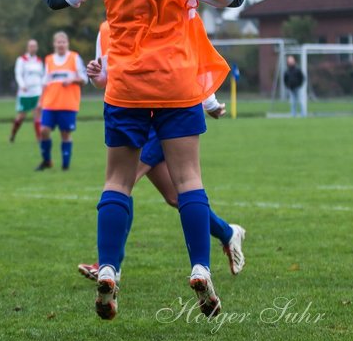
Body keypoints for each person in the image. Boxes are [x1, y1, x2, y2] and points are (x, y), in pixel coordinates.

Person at [11, 0, 267, 320]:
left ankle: (109, 266)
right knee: (188, 182)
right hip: (176, 86)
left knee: (117, 182)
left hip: (125, 87)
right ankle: (199, 266)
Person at [76, 20, 245, 281]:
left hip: (161, 117)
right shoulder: (106, 28)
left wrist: (209, 101)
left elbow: (185, 59)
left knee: (122, 183)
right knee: (175, 196)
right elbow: (104, 78)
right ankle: (228, 233)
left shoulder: (160, 14)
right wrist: (96, 73)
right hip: (131, 113)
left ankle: (109, 265)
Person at [35, 31, 88, 170]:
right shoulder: (49, 60)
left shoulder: (74, 58)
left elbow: (84, 79)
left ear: (67, 43)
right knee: (44, 130)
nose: (61, 45)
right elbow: (45, 82)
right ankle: (47, 161)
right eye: (58, 42)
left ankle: (65, 166)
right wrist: (40, 101)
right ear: (54, 44)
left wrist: (72, 80)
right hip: (50, 103)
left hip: (68, 104)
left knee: (65, 134)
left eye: (63, 42)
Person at [9, 38, 45, 143]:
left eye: (35, 46)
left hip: (37, 92)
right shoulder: (21, 60)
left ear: (37, 48)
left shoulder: (39, 61)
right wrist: (22, 85)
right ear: (27, 47)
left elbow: (42, 76)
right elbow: (18, 74)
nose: (33, 48)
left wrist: (42, 88)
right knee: (21, 116)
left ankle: (39, 139)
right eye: (31, 46)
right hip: (25, 93)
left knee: (37, 114)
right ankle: (13, 134)